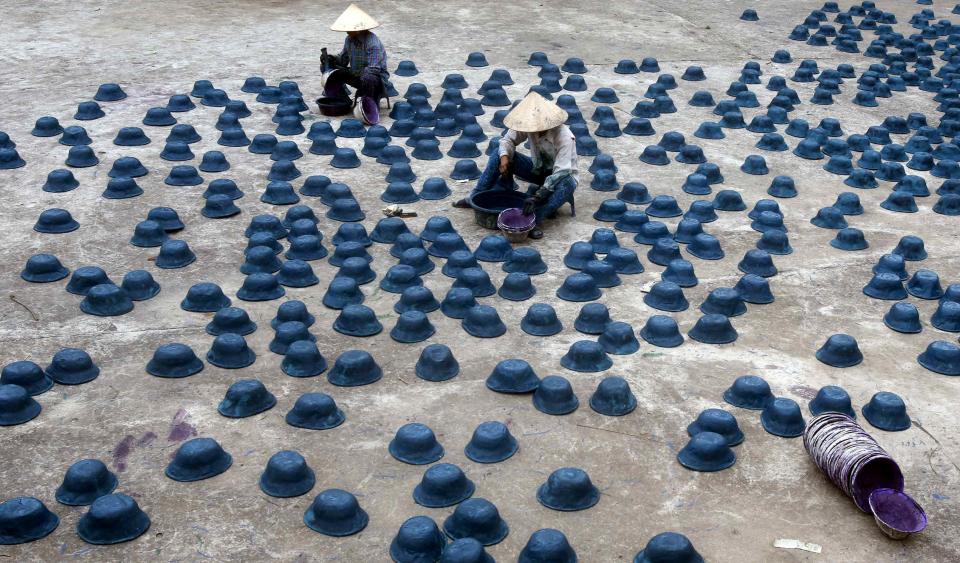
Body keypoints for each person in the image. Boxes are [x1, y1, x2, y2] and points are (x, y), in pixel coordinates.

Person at [453, 93, 577, 239]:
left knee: (568, 183)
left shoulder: (565, 137)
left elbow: (561, 171)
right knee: (497, 154)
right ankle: (474, 196)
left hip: (560, 177)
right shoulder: (528, 124)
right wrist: (505, 158)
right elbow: (507, 141)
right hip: (539, 170)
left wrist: (538, 196)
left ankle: (533, 220)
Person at [321, 4, 389, 124]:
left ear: (358, 29)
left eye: (350, 28)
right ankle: (342, 99)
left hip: (375, 79)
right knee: (329, 68)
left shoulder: (372, 43)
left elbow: (374, 69)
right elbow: (343, 60)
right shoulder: (349, 40)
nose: (347, 31)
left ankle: (369, 103)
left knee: (368, 76)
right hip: (357, 74)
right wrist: (331, 59)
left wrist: (360, 83)